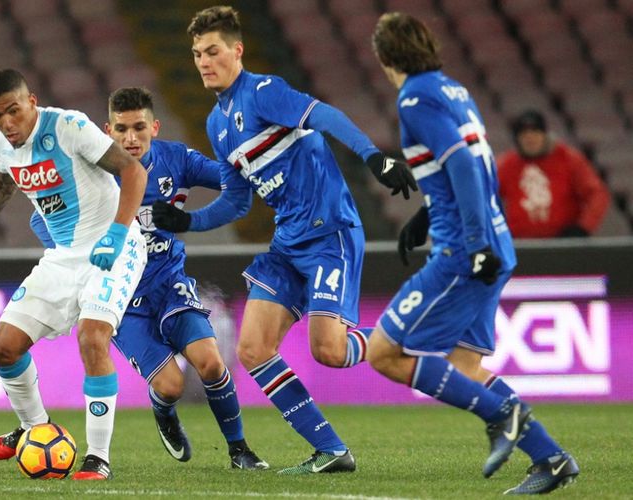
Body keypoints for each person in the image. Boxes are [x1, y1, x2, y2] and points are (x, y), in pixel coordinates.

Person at [153, 5, 417, 475]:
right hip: (287, 243)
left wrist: (375, 158)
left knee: (330, 351)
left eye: (212, 51)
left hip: (329, 232)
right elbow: (236, 202)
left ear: (237, 50)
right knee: (252, 350)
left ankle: (406, 338)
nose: (202, 62)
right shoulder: (218, 124)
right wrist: (185, 223)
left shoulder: (264, 92)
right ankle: (332, 451)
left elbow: (325, 116)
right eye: (196, 54)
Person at [370, 13, 579, 495]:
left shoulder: (414, 98)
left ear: (384, 57)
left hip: (462, 252)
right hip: (492, 241)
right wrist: (430, 210)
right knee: (465, 369)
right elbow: (470, 163)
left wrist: (474, 242)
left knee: (384, 352)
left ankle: (502, 416)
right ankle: (551, 459)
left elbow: (463, 162)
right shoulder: (453, 89)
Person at [30, 86, 268, 470]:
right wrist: (77, 252)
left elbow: (230, 179)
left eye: (139, 128)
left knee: (211, 363)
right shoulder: (88, 171)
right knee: (171, 386)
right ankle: (163, 411)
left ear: (154, 127)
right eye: (121, 129)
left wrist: (252, 163)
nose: (131, 138)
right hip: (119, 297)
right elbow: (40, 218)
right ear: (107, 130)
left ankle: (240, 450)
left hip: (169, 282)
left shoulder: (177, 160)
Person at [0, 69, 149, 480]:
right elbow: (4, 181)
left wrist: (118, 233)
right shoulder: (3, 142)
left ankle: (98, 457)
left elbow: (134, 171)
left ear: (32, 101)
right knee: (4, 346)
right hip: (63, 256)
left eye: (13, 111)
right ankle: (34, 428)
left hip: (114, 248)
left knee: (93, 337)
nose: (6, 123)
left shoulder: (69, 127)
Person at [497, 109, 610, 238]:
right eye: (523, 134)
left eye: (535, 132)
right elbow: (485, 195)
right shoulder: (507, 165)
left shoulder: (569, 159)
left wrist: (583, 228)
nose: (530, 138)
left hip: (563, 244)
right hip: (521, 245)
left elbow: (597, 194)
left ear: (545, 134)